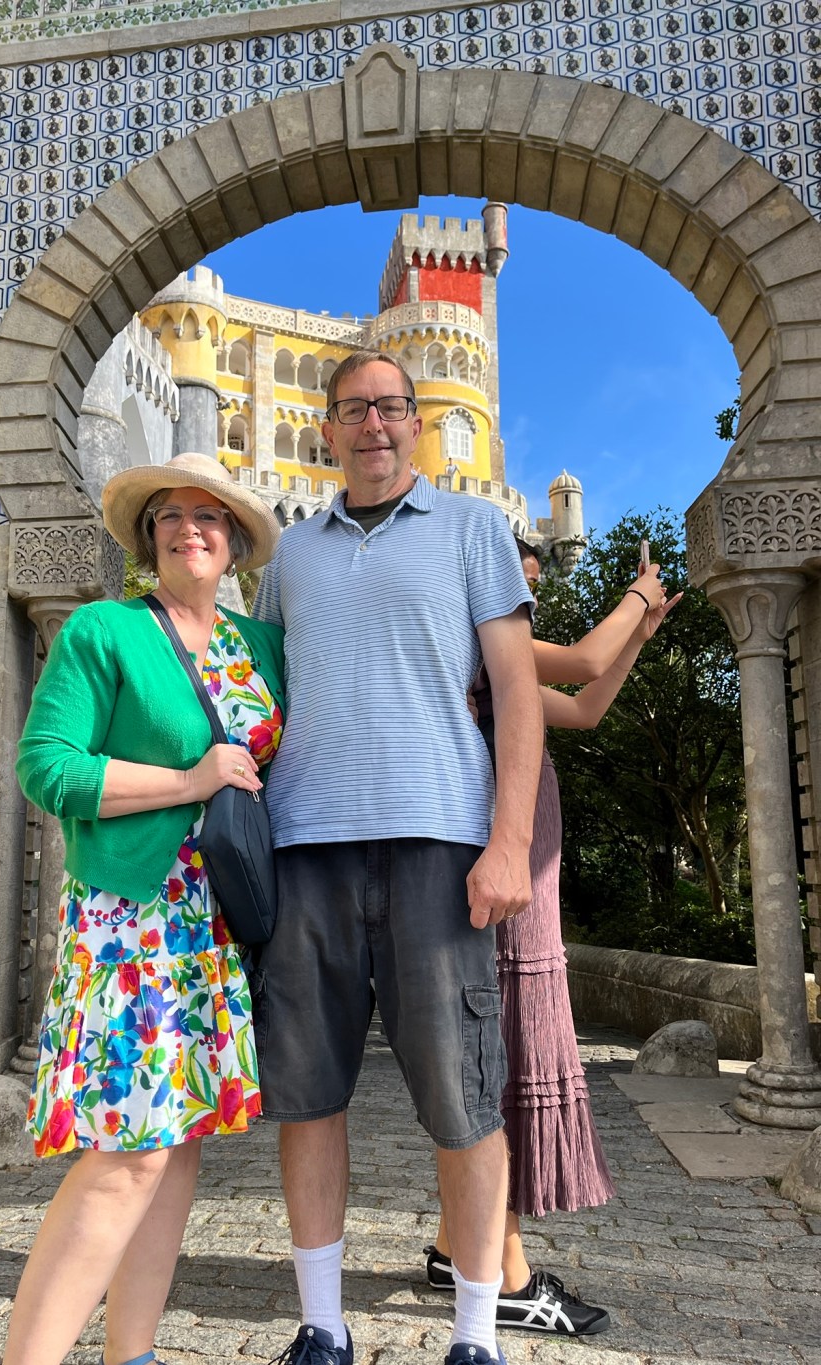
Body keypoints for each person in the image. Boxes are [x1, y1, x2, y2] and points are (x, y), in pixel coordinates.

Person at [252, 352, 545, 1365]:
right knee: (307, 1094)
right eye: (352, 410)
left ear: (415, 424)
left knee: (463, 1098)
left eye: (389, 406)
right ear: (325, 431)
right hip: (305, 850)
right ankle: (321, 1326)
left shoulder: (473, 530)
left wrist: (507, 842)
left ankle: (475, 1336)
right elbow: (257, 704)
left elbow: (515, 692)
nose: (372, 423)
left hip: (439, 846)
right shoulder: (287, 557)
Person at [5, 452, 285, 1365]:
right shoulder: (104, 632)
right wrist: (187, 779)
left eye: (210, 515)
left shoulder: (260, 649)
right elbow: (47, 767)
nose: (190, 527)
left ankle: (135, 1353)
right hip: (131, 924)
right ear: (148, 537)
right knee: (128, 1154)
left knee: (178, 1148)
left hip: (216, 928)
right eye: (171, 515)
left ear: (237, 540)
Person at [425, 538, 680, 1337]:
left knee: (491, 1059)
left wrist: (636, 638)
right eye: (520, 587)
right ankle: (504, 1274)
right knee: (495, 1064)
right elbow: (577, 659)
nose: (524, 602)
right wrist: (638, 597)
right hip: (498, 885)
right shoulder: (474, 638)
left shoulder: (502, 677)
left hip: (522, 886)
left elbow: (590, 702)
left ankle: (449, 1248)